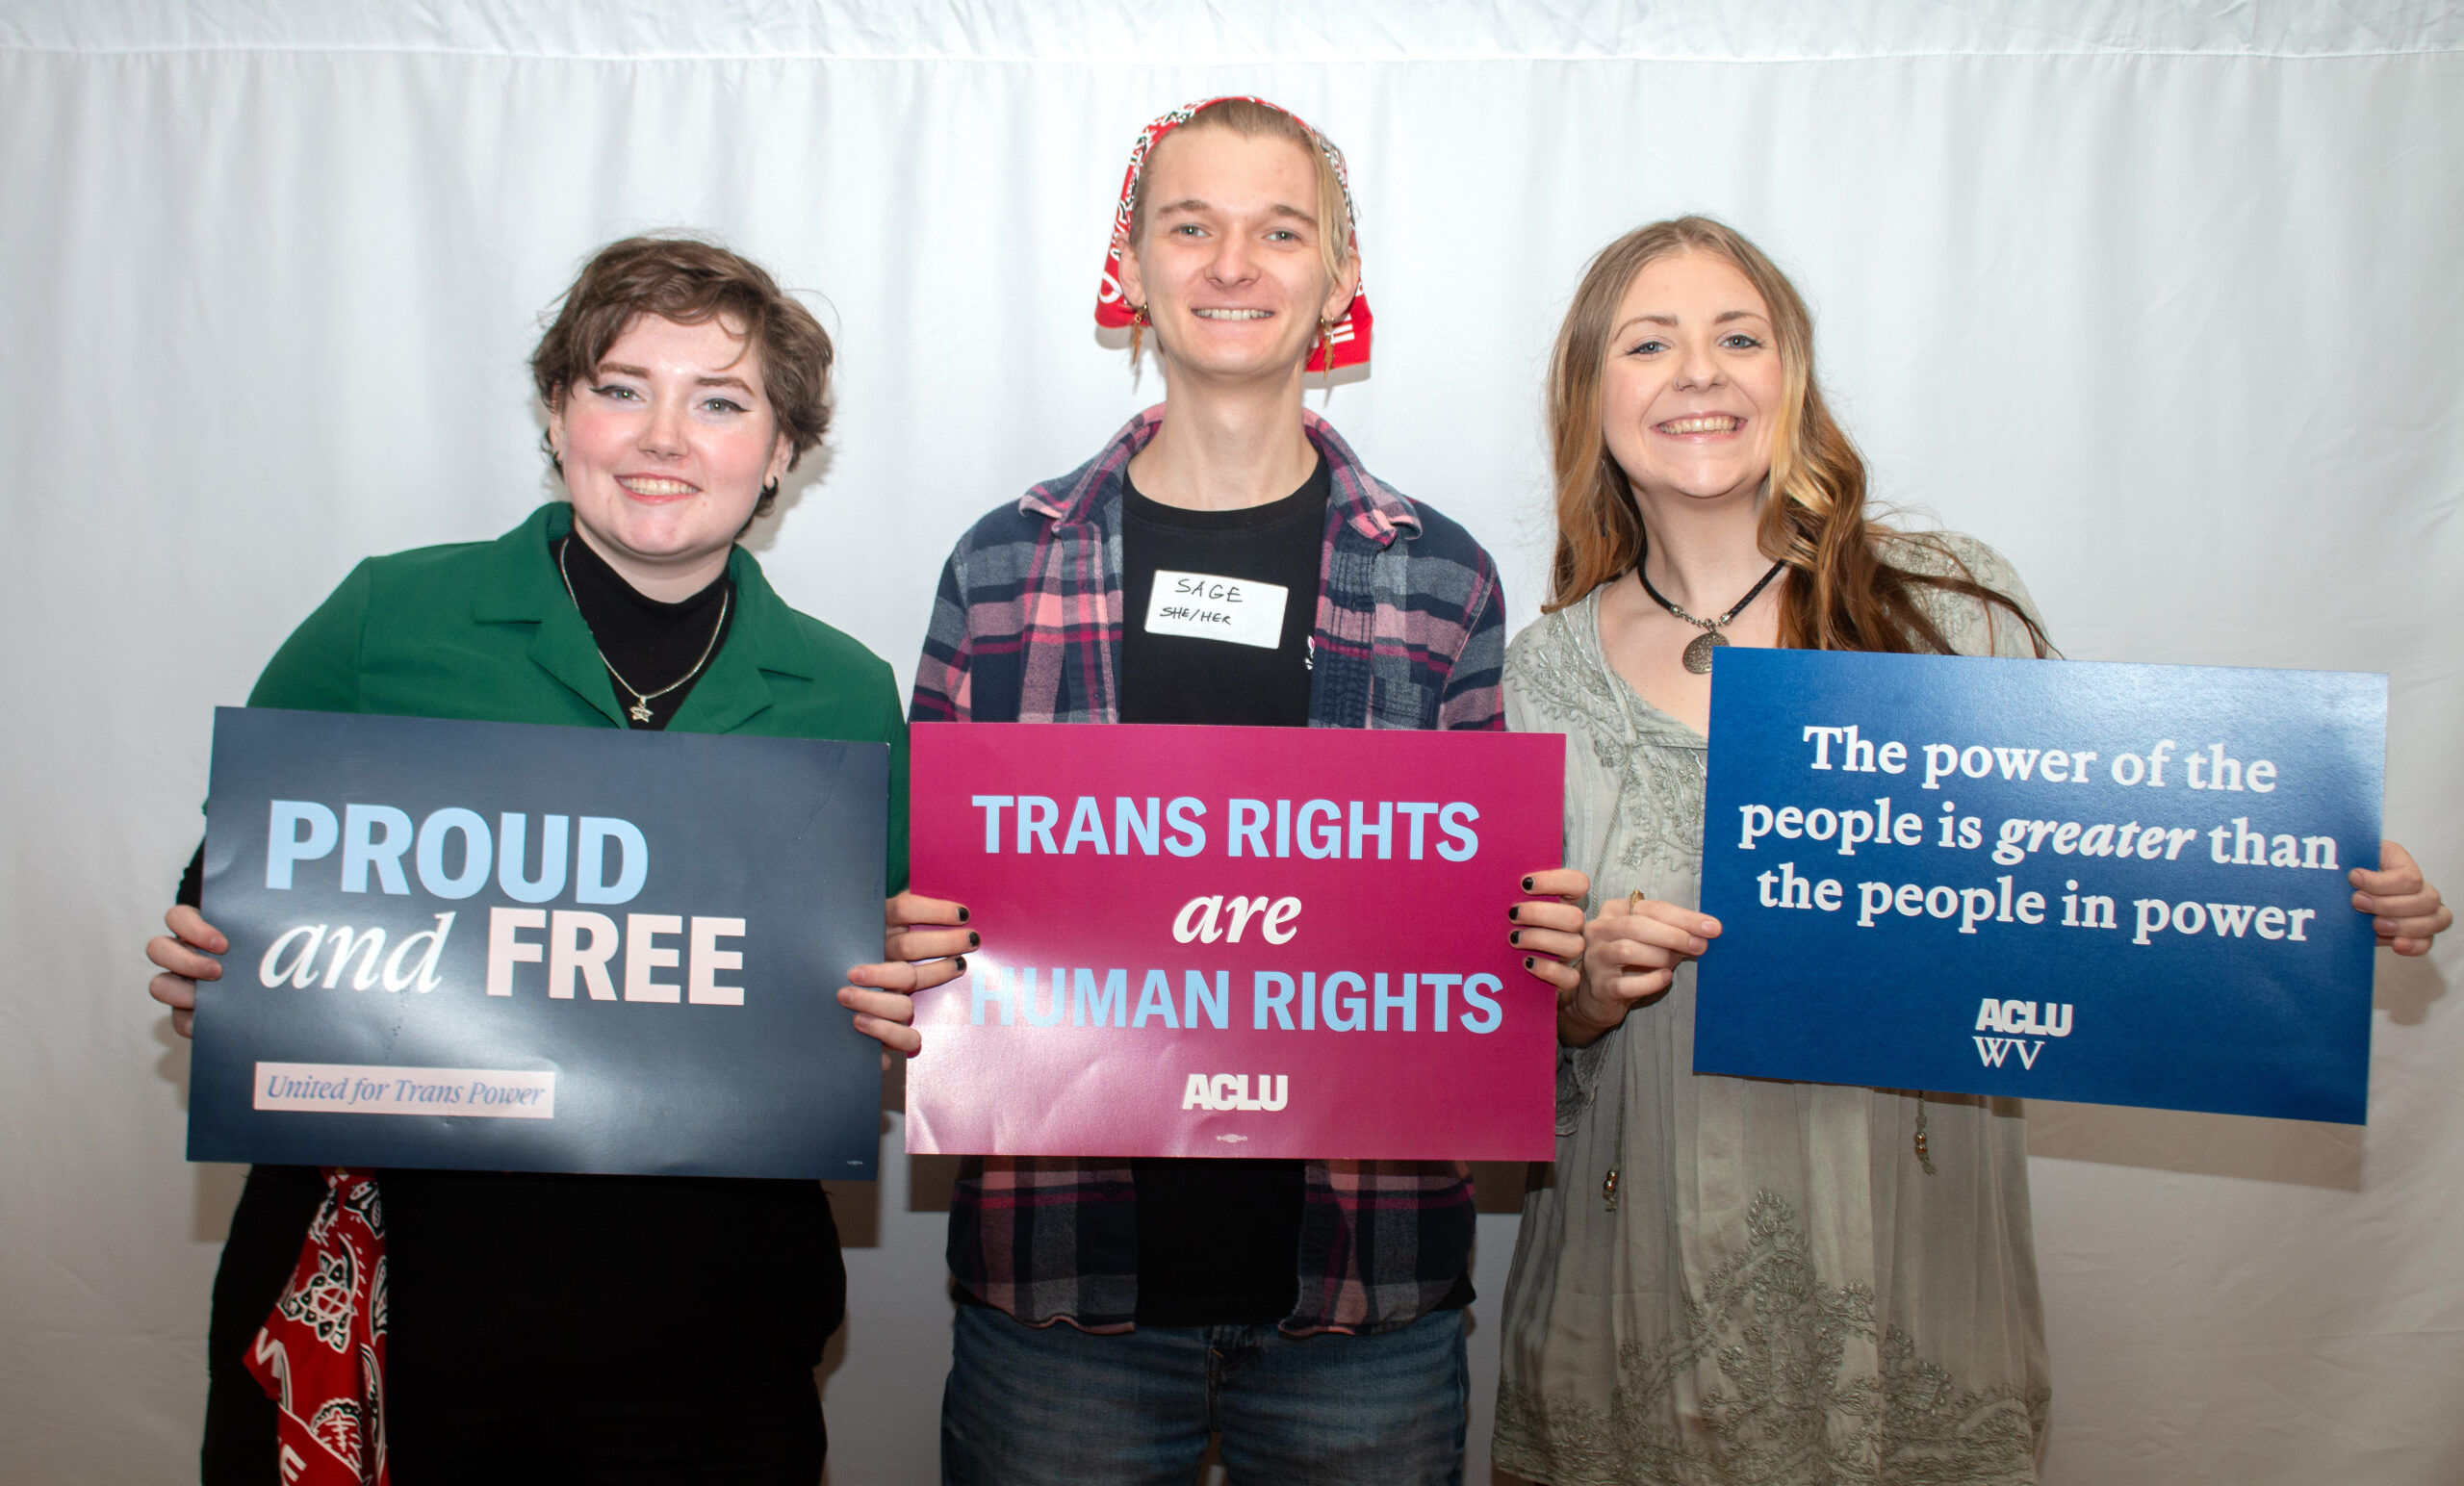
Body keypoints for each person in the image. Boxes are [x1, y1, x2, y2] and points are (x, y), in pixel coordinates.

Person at [1490, 216, 2451, 1486]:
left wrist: (2293, 887)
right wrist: (1582, 999)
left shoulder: (1949, 609)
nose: (1700, 372)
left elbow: (2095, 880)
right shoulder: (1533, 682)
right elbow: (1485, 1034)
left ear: (1795, 378)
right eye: (1649, 342)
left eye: (1739, 335)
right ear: (1590, 394)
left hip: (1910, 1267)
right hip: (1637, 1290)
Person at [143, 235, 965, 1484]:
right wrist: (210, 955)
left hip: (710, 1329)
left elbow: (890, 965)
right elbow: (238, 885)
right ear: (556, 413)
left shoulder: (844, 697)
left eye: (721, 401)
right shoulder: (382, 623)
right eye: (621, 386)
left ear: (783, 452)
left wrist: (919, 989)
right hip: (401, 1305)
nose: (663, 438)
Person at [910, 98, 1506, 1485]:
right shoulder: (1002, 567)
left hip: (1367, 1307)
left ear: (1339, 277)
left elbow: (1475, 932)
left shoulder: (1443, 579)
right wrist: (903, 947)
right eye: (1191, 225)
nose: (1233, 263)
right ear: (1132, 259)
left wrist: (1532, 943)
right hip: (1061, 1304)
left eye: (1279, 230)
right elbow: (927, 901)